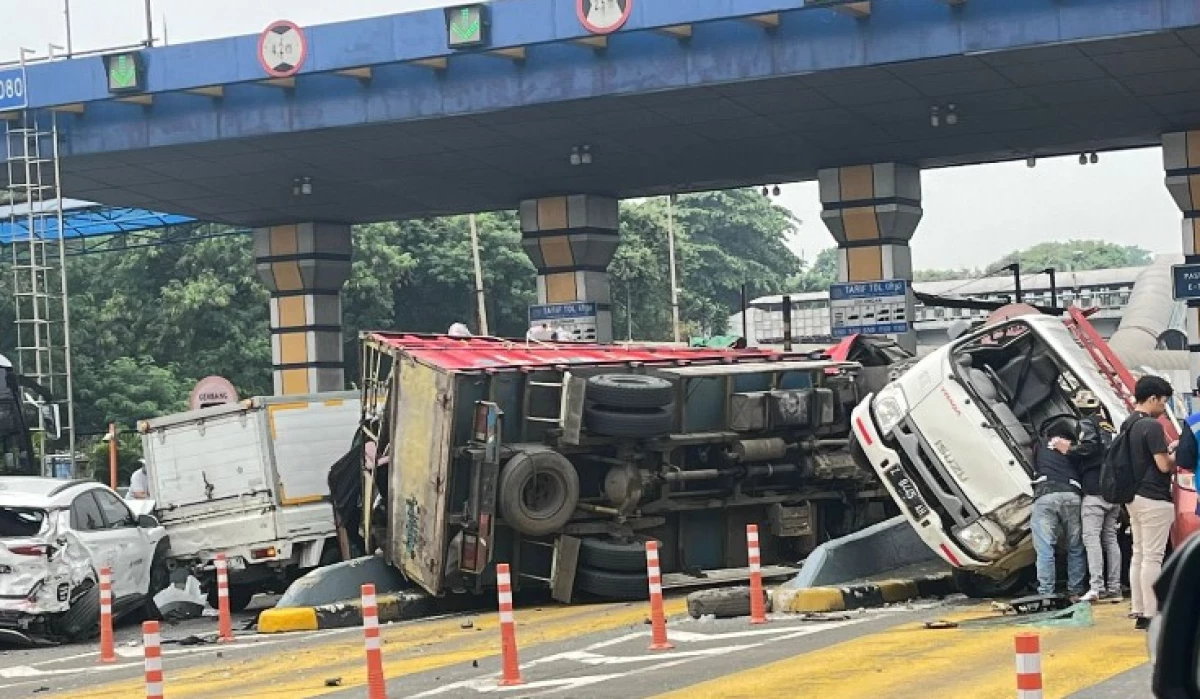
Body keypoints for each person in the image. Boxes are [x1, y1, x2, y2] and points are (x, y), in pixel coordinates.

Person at [1125, 375, 1179, 630]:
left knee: (1139, 553)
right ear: (1153, 398)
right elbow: (1162, 464)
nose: (1163, 407)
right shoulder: (1152, 426)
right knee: (1154, 558)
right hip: (1154, 498)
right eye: (1163, 401)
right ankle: (1152, 612)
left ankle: (1138, 607)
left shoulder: (1128, 423)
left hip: (1132, 496)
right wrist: (1175, 454)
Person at [1067, 391, 1120, 602]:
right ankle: (1114, 587)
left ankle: (1096, 587)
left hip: (1094, 490)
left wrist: (1069, 449)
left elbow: (1088, 447)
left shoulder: (1086, 423)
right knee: (1110, 539)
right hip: (1113, 491)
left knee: (1091, 540)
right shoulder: (1109, 426)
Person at [1030, 419, 1088, 599]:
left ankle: (1046, 592)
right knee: (1075, 546)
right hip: (1072, 495)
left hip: (1046, 494)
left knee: (1045, 548)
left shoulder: (1040, 444)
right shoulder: (1072, 449)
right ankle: (1075, 591)